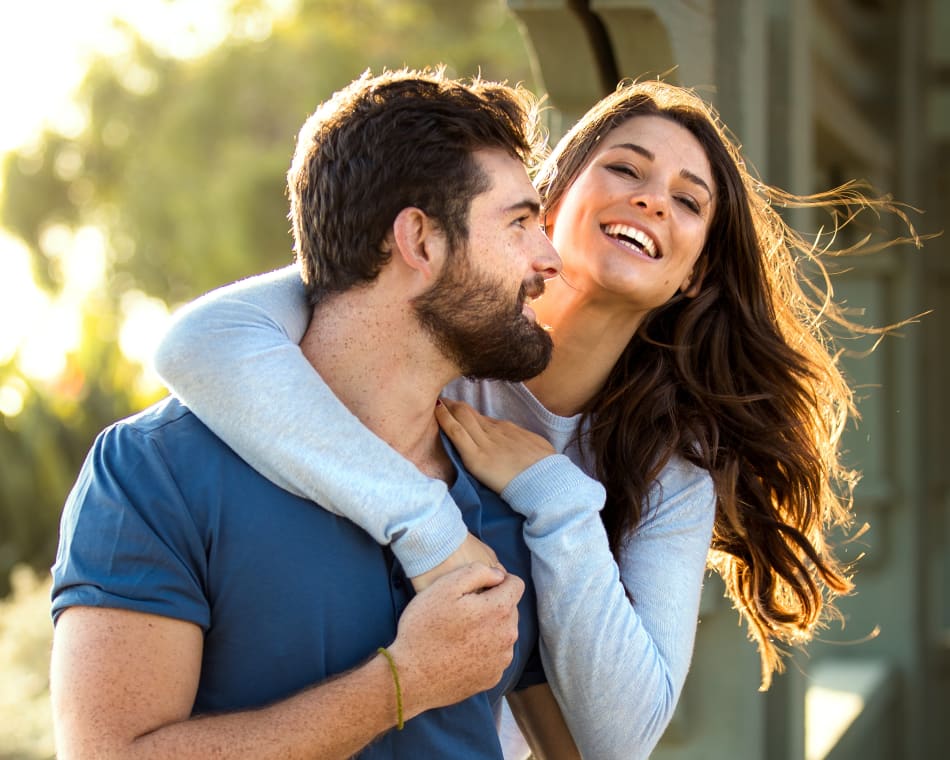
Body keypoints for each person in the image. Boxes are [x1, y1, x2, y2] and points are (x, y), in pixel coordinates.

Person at [153, 79, 918, 759]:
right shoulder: (432, 306)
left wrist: (556, 496)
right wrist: (432, 530)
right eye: (624, 167)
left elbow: (620, 740)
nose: (653, 199)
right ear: (544, 199)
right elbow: (198, 343)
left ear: (694, 276)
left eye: (689, 201)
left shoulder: (670, 470)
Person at [48, 68, 585, 759]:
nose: (549, 259)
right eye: (519, 224)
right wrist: (404, 682)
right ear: (419, 241)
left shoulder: (510, 489)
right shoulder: (157, 472)